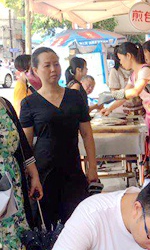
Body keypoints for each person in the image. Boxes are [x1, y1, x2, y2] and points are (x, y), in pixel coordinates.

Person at [19, 47, 98, 230]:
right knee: (47, 225)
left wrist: (92, 166)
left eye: (56, 64)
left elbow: (87, 134)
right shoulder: (29, 103)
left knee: (77, 222)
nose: (53, 69)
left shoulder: (74, 97)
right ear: (35, 70)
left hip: (73, 169)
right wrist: (32, 175)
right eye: (47, 65)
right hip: (44, 172)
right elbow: (26, 145)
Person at [102, 42, 150, 177]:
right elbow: (125, 96)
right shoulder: (134, 75)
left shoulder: (145, 70)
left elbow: (134, 92)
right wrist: (109, 108)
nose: (120, 62)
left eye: (121, 59)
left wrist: (111, 95)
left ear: (129, 56)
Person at [0, 96, 44, 250]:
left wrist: (34, 174)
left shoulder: (4, 104)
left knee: (25, 238)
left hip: (12, 185)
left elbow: (22, 146)